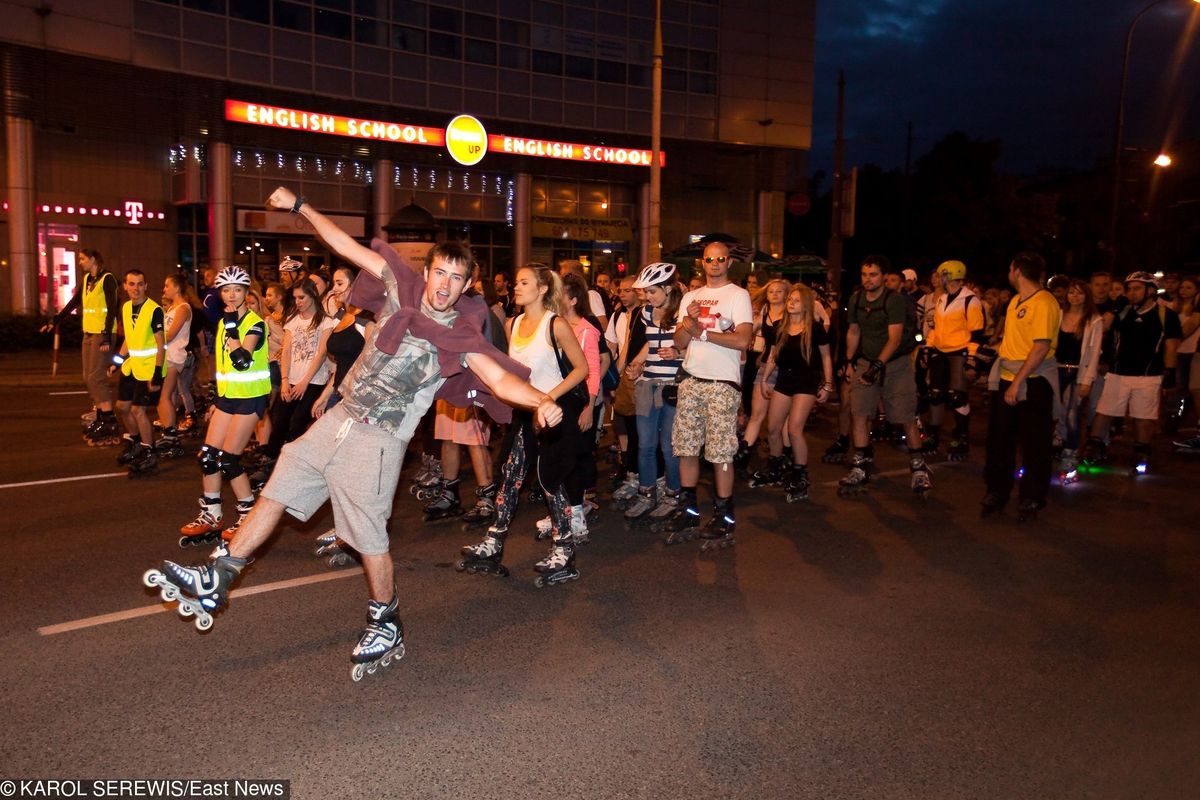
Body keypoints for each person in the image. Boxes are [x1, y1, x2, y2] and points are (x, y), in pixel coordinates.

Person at [148, 189, 563, 679]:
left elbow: (499, 379)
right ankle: (220, 576)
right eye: (440, 273)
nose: (446, 285)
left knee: (367, 538)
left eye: (457, 278)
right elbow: (344, 245)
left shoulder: (460, 337)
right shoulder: (397, 289)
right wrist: (301, 206)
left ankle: (385, 617)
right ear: (427, 272)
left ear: (466, 284)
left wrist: (542, 400)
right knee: (281, 481)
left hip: (381, 439)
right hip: (341, 418)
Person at [458, 263, 587, 582]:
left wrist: (548, 398)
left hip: (555, 413)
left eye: (523, 282)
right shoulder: (514, 323)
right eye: (515, 282)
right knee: (511, 476)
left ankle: (564, 550)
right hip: (524, 414)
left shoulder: (555, 324)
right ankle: (494, 541)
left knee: (549, 480)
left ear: (542, 289)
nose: (516, 287)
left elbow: (581, 369)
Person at [662, 241, 753, 548]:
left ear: (729, 263)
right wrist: (688, 322)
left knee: (720, 452)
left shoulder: (738, 295)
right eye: (710, 259)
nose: (715, 263)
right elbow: (679, 340)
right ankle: (688, 511)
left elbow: (743, 339)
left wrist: (702, 331)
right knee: (686, 447)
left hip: (722, 383)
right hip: (691, 379)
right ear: (702, 262)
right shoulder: (691, 295)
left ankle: (725, 516)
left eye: (721, 259)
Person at [175, 266, 270, 545]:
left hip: (250, 398)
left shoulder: (255, 323)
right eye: (226, 290)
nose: (231, 295)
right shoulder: (221, 326)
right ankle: (212, 514)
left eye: (237, 290)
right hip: (228, 398)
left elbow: (242, 360)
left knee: (229, 460)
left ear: (245, 293)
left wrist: (232, 327)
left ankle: (247, 514)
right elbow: (223, 367)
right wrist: (217, 400)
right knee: (207, 456)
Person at [838, 255, 930, 497]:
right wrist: (848, 361)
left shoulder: (894, 301)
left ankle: (918, 467)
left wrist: (878, 365)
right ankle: (860, 464)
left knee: (905, 416)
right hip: (865, 362)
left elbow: (895, 338)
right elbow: (854, 331)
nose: (868, 279)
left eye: (873, 275)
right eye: (864, 275)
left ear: (883, 276)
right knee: (859, 413)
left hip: (895, 365)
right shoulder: (857, 298)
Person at [981, 252, 1061, 520]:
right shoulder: (1015, 301)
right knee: (999, 440)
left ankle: (1032, 497)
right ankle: (997, 491)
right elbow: (1014, 342)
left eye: (1009, 268)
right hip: (1008, 377)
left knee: (1034, 443)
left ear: (1016, 270)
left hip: (1033, 381)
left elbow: (1040, 347)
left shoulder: (1045, 302)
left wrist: (1017, 382)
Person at [1085, 272, 1182, 473]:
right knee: (1105, 411)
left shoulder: (1166, 315)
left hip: (1149, 375)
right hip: (1118, 372)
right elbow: (1102, 328)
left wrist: (1170, 374)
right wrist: (1114, 308)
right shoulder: (1123, 311)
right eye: (1129, 288)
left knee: (1143, 416)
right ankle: (1095, 446)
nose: (1131, 293)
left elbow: (1171, 345)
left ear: (1150, 291)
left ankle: (1141, 449)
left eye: (1136, 288)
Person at [251, 278, 335, 486]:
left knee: (297, 425)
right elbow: (286, 351)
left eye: (301, 297)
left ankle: (294, 467)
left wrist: (305, 382)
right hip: (292, 379)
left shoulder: (326, 322)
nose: (297, 302)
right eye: (295, 298)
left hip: (313, 381)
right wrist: (286, 380)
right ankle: (270, 462)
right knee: (279, 421)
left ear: (313, 296)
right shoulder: (292, 321)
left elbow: (321, 353)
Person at [753, 283, 833, 501]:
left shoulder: (814, 329)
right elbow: (773, 355)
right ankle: (776, 466)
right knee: (773, 429)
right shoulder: (780, 326)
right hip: (784, 379)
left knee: (795, 430)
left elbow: (826, 357)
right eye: (790, 300)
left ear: (806, 304)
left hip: (807, 380)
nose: (791, 303)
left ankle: (800, 474)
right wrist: (765, 378)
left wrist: (828, 384)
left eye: (796, 300)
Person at [620, 262, 684, 526]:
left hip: (673, 386)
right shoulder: (646, 312)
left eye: (653, 292)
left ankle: (673, 496)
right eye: (646, 292)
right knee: (645, 445)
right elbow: (649, 342)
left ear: (668, 289)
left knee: (669, 447)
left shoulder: (683, 314)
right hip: (647, 384)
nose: (647, 297)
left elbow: (697, 346)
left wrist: (679, 354)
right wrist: (637, 364)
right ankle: (647, 494)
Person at [42, 248, 120, 445]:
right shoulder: (87, 280)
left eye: (83, 259)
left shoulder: (108, 279)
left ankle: (109, 421)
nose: (80, 262)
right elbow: (74, 303)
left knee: (97, 376)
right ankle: (101, 416)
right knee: (88, 377)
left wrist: (105, 337)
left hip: (102, 334)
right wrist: (55, 320)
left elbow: (112, 308)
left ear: (93, 259)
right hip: (88, 333)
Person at [923, 260, 985, 460]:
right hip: (940, 351)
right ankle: (933, 435)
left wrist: (972, 358)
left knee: (957, 396)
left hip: (960, 351)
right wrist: (928, 347)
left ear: (948, 276)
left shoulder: (970, 300)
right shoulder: (942, 298)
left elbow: (976, 333)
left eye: (941, 275)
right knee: (935, 394)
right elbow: (936, 328)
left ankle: (962, 435)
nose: (938, 279)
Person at [107, 269, 166, 476]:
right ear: (125, 286)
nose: (135, 288)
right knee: (122, 407)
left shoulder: (154, 310)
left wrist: (157, 373)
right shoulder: (125, 308)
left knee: (137, 411)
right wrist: (116, 361)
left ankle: (150, 453)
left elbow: (161, 344)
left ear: (146, 286)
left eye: (140, 284)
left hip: (149, 368)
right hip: (132, 366)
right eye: (131, 284)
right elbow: (128, 340)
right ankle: (135, 442)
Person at [1053, 279, 1103, 481]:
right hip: (1055, 369)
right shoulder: (1058, 315)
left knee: (1073, 414)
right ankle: (1056, 440)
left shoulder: (1094, 320)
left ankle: (1070, 455)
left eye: (1080, 293)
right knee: (1054, 410)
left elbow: (1094, 354)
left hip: (1077, 372)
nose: (1075, 296)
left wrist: (1087, 381)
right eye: (1071, 292)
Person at [738, 278, 788, 469]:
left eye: (779, 291)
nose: (774, 294)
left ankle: (784, 459)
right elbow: (748, 330)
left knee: (781, 423)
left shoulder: (791, 314)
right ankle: (743, 454)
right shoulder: (765, 313)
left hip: (786, 370)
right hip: (766, 365)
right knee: (757, 414)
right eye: (771, 291)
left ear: (786, 294)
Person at [154, 274, 195, 459]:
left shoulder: (183, 308)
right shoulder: (170, 307)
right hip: (166, 356)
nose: (164, 289)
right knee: (167, 397)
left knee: (164, 396)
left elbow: (169, 335)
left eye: (167, 285)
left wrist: (151, 340)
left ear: (177, 288)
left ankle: (170, 434)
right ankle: (168, 429)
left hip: (174, 357)